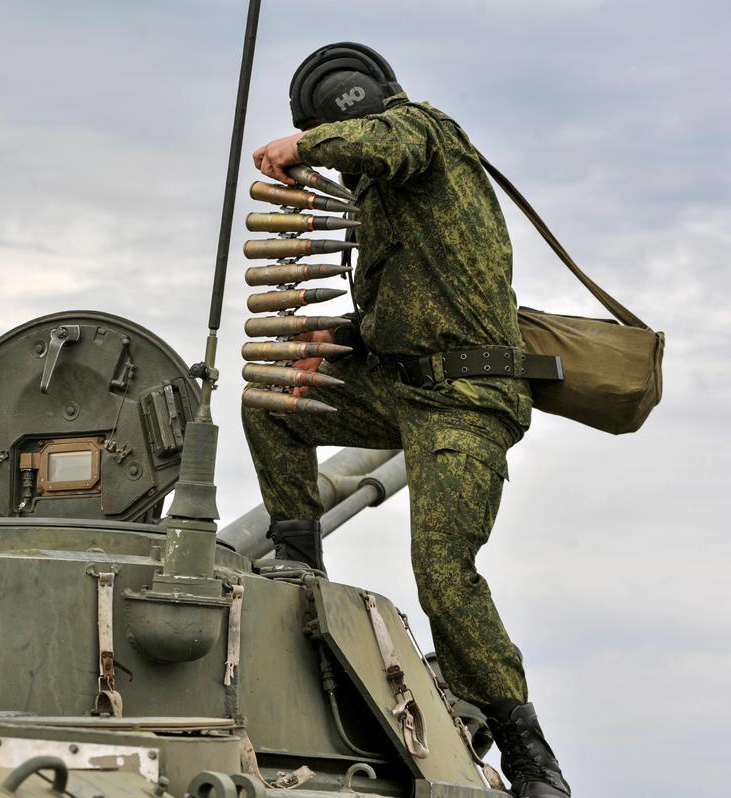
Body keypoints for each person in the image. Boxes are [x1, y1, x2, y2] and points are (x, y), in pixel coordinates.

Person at [243, 43, 570, 798]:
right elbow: (416, 306)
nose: (336, 169)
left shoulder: (427, 135)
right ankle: (297, 557)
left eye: (330, 139)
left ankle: (529, 753)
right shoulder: (382, 205)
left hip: (466, 401)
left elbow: (392, 139)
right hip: (400, 388)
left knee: (444, 577)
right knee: (275, 402)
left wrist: (306, 145)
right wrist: (348, 337)